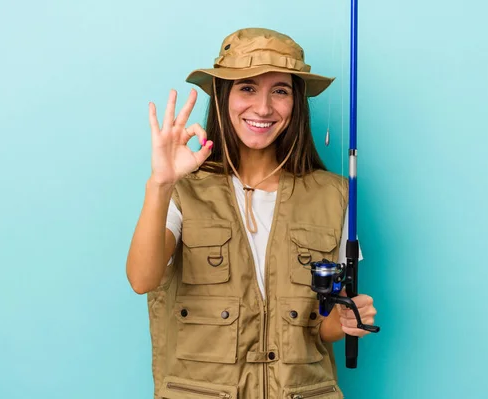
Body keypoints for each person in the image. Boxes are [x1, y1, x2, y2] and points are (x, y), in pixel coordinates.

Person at [126, 27, 377, 398]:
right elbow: (142, 279)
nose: (263, 108)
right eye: (247, 87)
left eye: (280, 91)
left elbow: (321, 330)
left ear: (296, 103)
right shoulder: (183, 189)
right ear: (224, 96)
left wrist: (344, 320)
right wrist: (160, 184)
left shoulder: (335, 196)